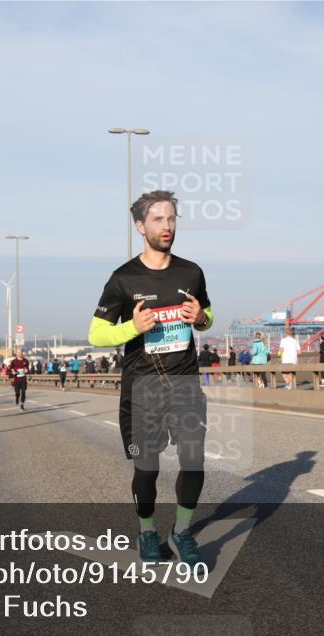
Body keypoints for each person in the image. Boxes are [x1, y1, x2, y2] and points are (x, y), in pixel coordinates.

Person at [86, 189, 214, 566]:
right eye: (158, 219)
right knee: (148, 466)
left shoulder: (191, 272)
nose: (167, 226)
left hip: (185, 382)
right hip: (143, 387)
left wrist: (201, 319)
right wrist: (131, 327)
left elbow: (206, 314)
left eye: (172, 218)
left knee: (193, 461)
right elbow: (96, 334)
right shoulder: (123, 279)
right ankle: (146, 532)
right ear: (141, 226)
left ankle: (182, 532)